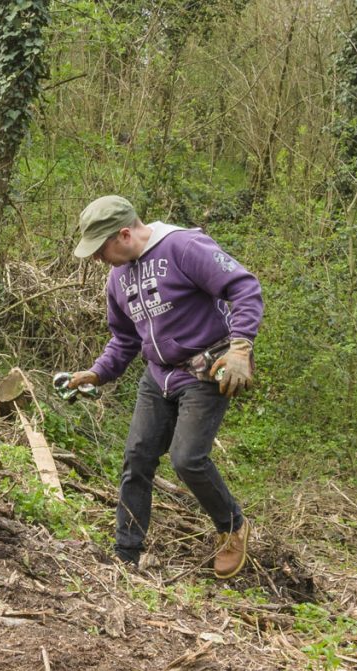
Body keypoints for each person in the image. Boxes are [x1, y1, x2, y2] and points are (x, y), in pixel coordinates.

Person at [66, 195, 264, 578]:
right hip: (158, 375)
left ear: (124, 233)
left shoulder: (184, 247)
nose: (96, 259)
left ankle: (232, 526)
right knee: (137, 457)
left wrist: (241, 347)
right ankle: (126, 553)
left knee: (187, 458)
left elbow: (244, 287)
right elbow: (123, 339)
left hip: (206, 370)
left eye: (100, 249)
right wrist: (97, 372)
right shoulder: (117, 277)